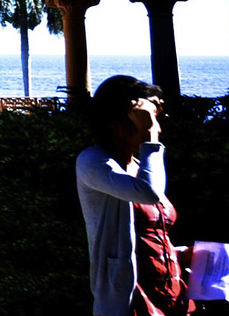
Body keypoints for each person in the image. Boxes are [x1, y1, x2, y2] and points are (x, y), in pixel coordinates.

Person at [77, 74, 191, 316]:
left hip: (169, 295)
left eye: (155, 120)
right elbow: (149, 192)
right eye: (146, 120)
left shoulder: (140, 167)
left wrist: (181, 254)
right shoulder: (92, 162)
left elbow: (151, 237)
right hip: (132, 301)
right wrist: (149, 138)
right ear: (116, 121)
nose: (157, 128)